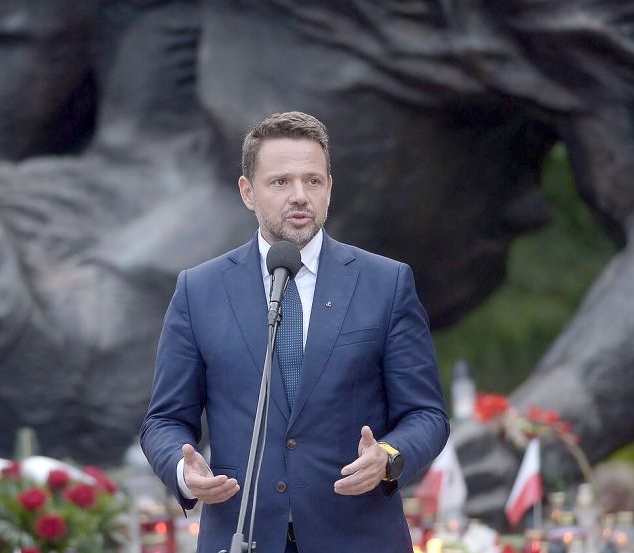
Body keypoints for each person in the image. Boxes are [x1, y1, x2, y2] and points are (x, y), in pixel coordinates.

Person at [140, 111, 449, 552]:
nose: (300, 196)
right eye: (281, 182)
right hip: (241, 535)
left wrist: (388, 457)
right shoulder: (199, 290)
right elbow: (165, 420)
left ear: (330, 188)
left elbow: (427, 415)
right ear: (248, 192)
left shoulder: (386, 283)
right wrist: (183, 473)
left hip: (358, 536)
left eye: (313, 181)